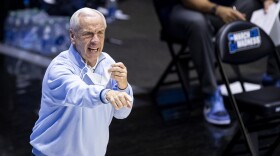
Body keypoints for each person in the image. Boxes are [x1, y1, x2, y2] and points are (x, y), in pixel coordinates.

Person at [30, 7, 133, 156]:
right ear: (72, 36)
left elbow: (121, 114)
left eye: (100, 33)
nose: (95, 40)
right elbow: (78, 92)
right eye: (88, 34)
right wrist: (106, 93)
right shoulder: (59, 67)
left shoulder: (108, 63)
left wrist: (123, 87)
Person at [157, 0, 277, 125]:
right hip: (181, 9)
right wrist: (217, 9)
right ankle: (211, 94)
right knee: (198, 23)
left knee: (270, 7)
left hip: (220, 7)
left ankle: (274, 78)